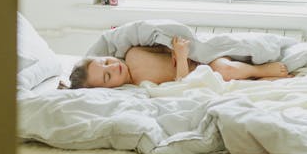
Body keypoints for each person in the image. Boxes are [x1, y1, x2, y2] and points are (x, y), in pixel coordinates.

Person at [66, 36, 290, 89]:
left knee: (227, 66)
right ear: (109, 89)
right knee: (226, 72)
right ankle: (260, 74)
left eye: (106, 61)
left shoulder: (133, 53)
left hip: (199, 56)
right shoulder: (142, 84)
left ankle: (257, 68)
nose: (113, 67)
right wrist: (181, 59)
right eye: (108, 76)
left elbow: (159, 43)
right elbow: (181, 83)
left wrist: (174, 49)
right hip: (198, 71)